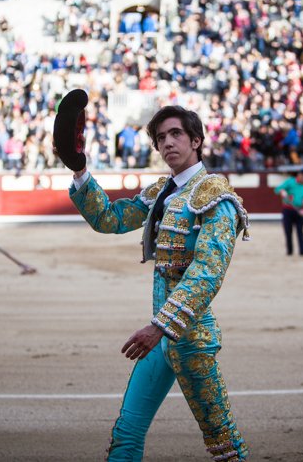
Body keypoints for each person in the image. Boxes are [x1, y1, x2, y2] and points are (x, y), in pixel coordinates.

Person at [67, 105, 249, 461]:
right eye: (161, 137)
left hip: (190, 339)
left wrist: (159, 326)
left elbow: (207, 272)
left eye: (176, 134)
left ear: (196, 141)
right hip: (161, 336)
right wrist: (79, 170)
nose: (167, 143)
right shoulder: (162, 192)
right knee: (126, 432)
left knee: (223, 442)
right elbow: (110, 219)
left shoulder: (215, 195)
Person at [273, 169, 303, 256]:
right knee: (288, 231)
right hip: (288, 210)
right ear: (300, 176)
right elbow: (277, 189)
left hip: (300, 210)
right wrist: (282, 191)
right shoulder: (290, 182)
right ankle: (290, 251)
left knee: (300, 231)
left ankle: (302, 250)